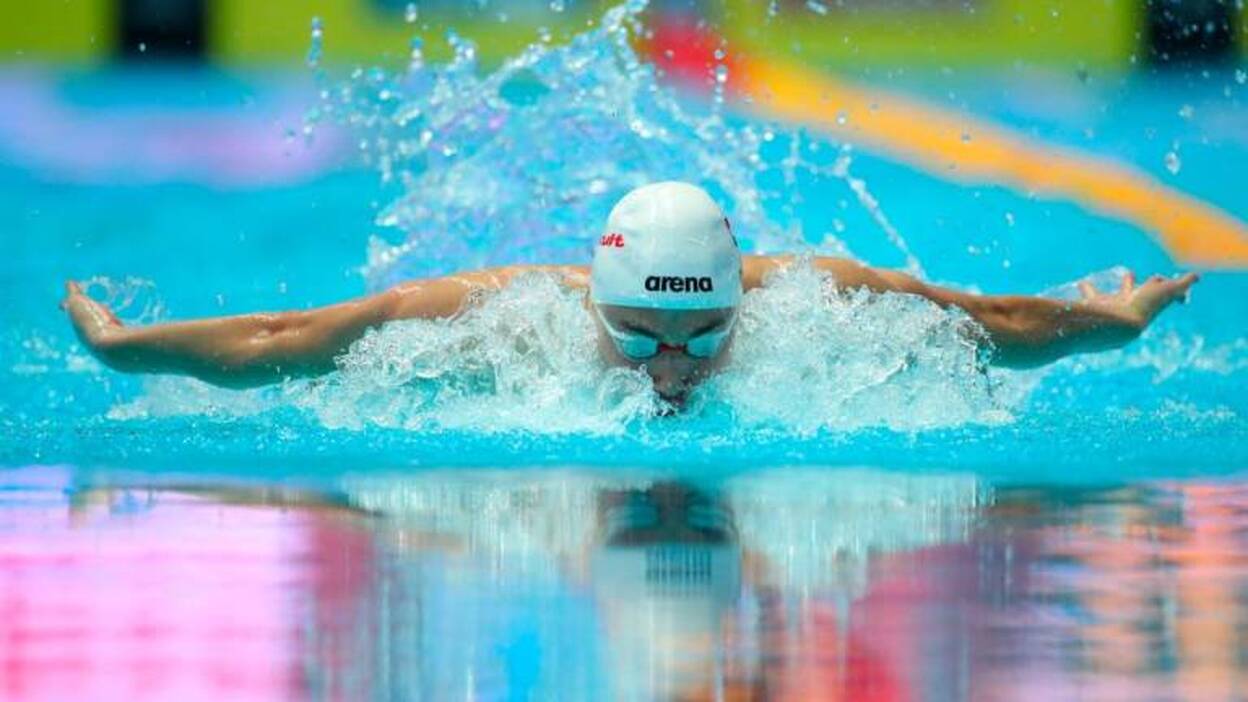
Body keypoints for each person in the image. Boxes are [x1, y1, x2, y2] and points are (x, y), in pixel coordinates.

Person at [63, 181, 1199, 405]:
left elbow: (988, 325)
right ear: (592, 304)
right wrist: (132, 350)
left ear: (742, 302)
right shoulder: (506, 316)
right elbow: (290, 335)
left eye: (704, 335)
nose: (669, 371)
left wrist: (1111, 325)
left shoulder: (813, 300)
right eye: (641, 335)